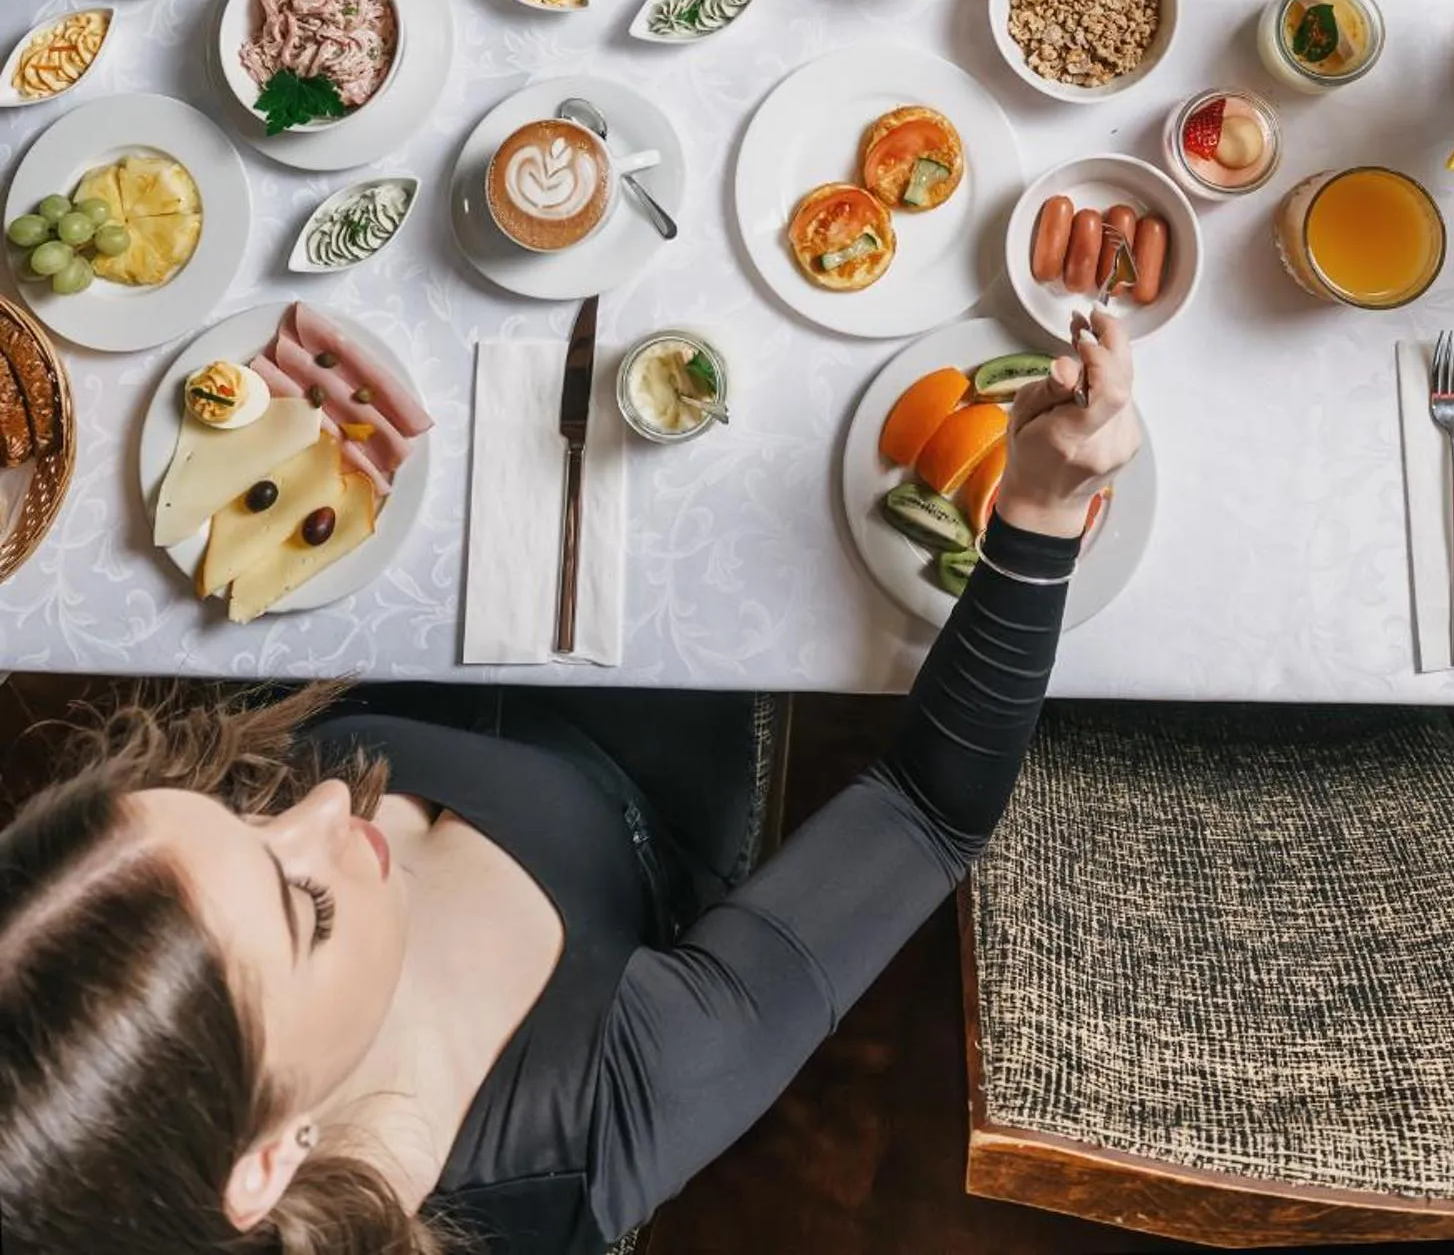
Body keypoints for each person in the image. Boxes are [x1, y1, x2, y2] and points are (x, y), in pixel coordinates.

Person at [0, 309, 1138, 1255]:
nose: (323, 804)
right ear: (266, 1163)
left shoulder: (152, 891)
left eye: (235, 812)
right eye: (308, 908)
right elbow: (927, 809)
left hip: (396, 627)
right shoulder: (597, 1126)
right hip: (648, 756)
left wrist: (272, 448)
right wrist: (1036, 513)